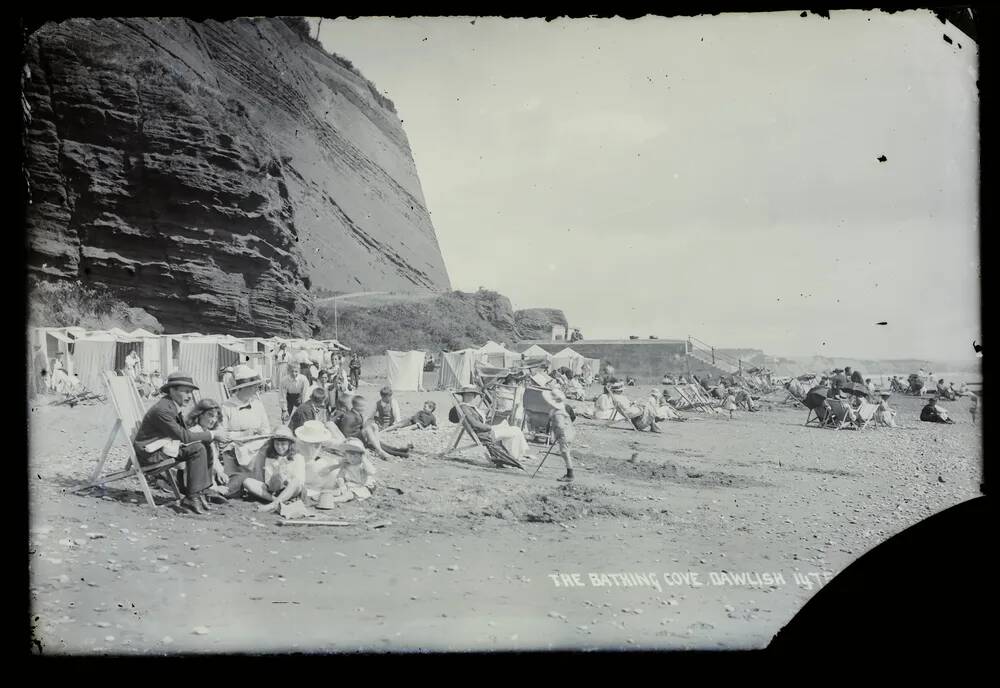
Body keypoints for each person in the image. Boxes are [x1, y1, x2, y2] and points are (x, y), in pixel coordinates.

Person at [132, 372, 230, 515]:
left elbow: (182, 435)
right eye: (185, 392)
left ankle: (201, 491)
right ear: (172, 390)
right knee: (197, 447)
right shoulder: (163, 410)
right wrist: (213, 434)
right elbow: (184, 436)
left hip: (161, 447)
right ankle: (192, 496)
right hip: (150, 455)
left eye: (190, 392)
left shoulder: (171, 406)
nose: (189, 396)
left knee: (203, 444)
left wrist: (208, 436)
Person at [448, 385, 523, 468]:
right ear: (463, 396)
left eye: (472, 395)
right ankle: (514, 457)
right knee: (516, 431)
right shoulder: (464, 407)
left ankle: (513, 456)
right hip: (485, 434)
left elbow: (478, 422)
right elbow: (475, 424)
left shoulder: (470, 407)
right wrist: (489, 427)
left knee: (513, 430)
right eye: (468, 395)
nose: (470, 397)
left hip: (485, 431)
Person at [220, 365, 272, 476]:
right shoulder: (227, 407)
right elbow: (221, 436)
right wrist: (243, 434)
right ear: (243, 388)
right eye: (253, 386)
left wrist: (261, 435)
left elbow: (266, 428)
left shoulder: (257, 404)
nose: (256, 389)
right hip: (236, 447)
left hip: (257, 444)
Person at [335, 395, 411, 460]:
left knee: (373, 427)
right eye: (363, 407)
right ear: (357, 407)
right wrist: (363, 436)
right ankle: (381, 451)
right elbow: (347, 433)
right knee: (369, 430)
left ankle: (395, 450)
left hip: (359, 436)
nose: (365, 408)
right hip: (354, 439)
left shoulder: (356, 414)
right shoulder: (349, 417)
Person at [254, 425, 309, 514]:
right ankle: (278, 501)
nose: (279, 447)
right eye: (277, 444)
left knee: (295, 481)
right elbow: (268, 483)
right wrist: (276, 474)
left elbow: (300, 481)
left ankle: (273, 505)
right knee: (247, 482)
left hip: (292, 490)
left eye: (283, 444)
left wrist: (286, 480)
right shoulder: (270, 458)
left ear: (290, 444)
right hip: (274, 491)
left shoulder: (298, 457)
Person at [184, 398, 229, 501]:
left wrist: (220, 472)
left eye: (216, 416)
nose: (213, 420)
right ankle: (210, 491)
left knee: (237, 479)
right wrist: (213, 486)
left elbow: (215, 458)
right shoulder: (194, 432)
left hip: (210, 478)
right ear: (199, 414)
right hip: (195, 481)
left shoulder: (209, 432)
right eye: (210, 415)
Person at [316, 438, 379, 505]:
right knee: (338, 490)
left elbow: (371, 472)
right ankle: (324, 495)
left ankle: (334, 500)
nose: (352, 459)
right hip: (350, 485)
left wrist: (364, 459)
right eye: (349, 456)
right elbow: (340, 477)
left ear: (361, 456)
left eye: (355, 456)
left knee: (348, 495)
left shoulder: (363, 465)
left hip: (363, 486)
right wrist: (342, 485)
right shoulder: (346, 464)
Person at [543, 389, 576, 482]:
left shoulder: (558, 413)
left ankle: (570, 474)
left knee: (565, 453)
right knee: (565, 452)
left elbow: (560, 426)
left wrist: (558, 435)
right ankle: (570, 473)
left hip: (564, 435)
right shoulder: (559, 410)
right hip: (568, 433)